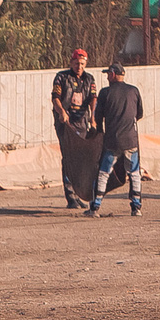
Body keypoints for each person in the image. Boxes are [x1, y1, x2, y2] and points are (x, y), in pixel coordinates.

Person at [50, 47, 100, 211]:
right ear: (71, 62)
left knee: (81, 159)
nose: (79, 67)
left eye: (82, 64)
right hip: (66, 123)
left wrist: (93, 118)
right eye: (77, 63)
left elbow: (93, 98)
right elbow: (55, 98)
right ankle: (70, 196)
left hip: (82, 122)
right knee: (69, 157)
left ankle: (79, 194)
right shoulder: (62, 77)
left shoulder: (89, 79)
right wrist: (62, 113)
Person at [91, 61, 144, 217]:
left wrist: (100, 133)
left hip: (112, 141)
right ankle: (136, 207)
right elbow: (139, 114)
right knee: (134, 173)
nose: (107, 77)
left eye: (108, 74)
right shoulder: (134, 91)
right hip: (131, 140)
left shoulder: (105, 93)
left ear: (113, 74)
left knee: (103, 173)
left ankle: (95, 206)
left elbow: (98, 117)